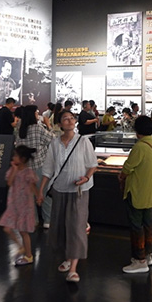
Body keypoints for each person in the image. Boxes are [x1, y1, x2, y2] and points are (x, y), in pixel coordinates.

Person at [38, 110, 98, 283]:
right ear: (59, 124)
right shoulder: (55, 143)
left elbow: (93, 164)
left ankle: (73, 268)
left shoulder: (83, 141)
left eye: (72, 118)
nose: (70, 121)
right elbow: (48, 169)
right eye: (66, 119)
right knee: (60, 226)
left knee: (77, 226)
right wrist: (41, 190)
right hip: (60, 189)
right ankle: (68, 258)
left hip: (79, 191)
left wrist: (86, 177)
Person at [120, 115, 152, 274]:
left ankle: (139, 259)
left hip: (136, 191)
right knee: (147, 224)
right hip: (149, 192)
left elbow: (127, 167)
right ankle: (148, 255)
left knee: (136, 226)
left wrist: (121, 176)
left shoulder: (140, 147)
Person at [0, 144, 41, 266]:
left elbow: (33, 186)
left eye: (16, 156)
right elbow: (9, 183)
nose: (13, 157)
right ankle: (21, 247)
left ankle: (29, 255)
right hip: (14, 204)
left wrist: (38, 196)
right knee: (7, 228)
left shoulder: (28, 172)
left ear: (22, 159)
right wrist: (15, 170)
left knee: (23, 231)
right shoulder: (13, 170)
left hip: (25, 206)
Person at [15, 105, 54, 228]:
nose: (38, 114)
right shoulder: (38, 128)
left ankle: (33, 220)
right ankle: (47, 220)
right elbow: (52, 140)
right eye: (37, 112)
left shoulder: (20, 128)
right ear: (32, 115)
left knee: (29, 196)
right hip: (39, 167)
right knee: (44, 194)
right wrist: (49, 126)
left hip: (25, 169)